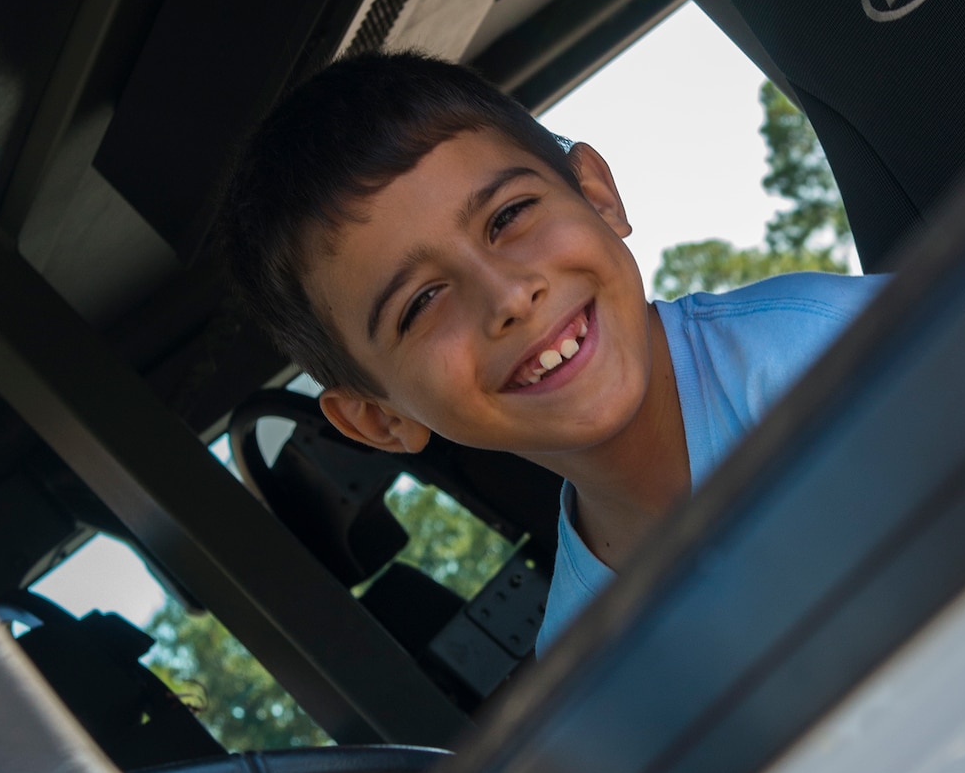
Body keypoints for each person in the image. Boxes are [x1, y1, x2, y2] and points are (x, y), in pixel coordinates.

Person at [221, 51, 884, 651]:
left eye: (509, 216)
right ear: (378, 420)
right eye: (421, 303)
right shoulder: (585, 661)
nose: (508, 295)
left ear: (596, 194)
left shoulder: (850, 360)